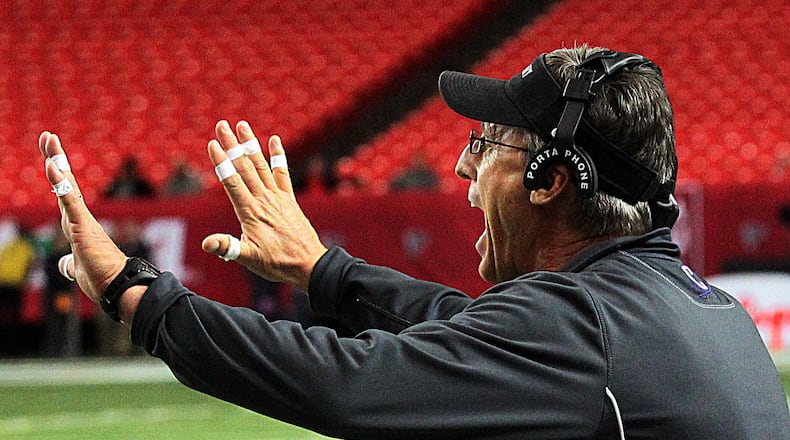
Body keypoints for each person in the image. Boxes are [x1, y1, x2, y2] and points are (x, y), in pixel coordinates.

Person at [37, 45, 789, 439]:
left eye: (486, 143)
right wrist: (323, 270)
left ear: (552, 179)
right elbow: (471, 327)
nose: (463, 164)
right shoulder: (703, 309)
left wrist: (139, 294)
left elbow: (347, 384)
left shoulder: (580, 325)